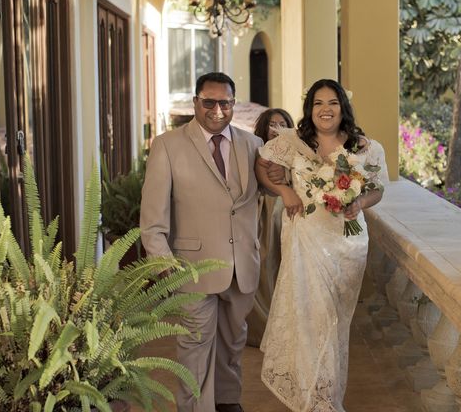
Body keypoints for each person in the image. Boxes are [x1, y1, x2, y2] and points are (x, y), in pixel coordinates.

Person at [255, 79, 389, 411]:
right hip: (305, 239)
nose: (325, 109)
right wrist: (285, 191)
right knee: (308, 318)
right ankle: (316, 401)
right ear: (309, 109)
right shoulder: (295, 143)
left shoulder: (364, 148)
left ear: (343, 107)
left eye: (332, 102)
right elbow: (261, 163)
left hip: (346, 244)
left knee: (334, 323)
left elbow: (378, 189)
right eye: (318, 103)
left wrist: (359, 204)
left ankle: (327, 395)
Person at [140, 72, 262, 412]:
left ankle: (227, 402)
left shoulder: (253, 146)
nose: (217, 110)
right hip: (191, 269)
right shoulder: (167, 146)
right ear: (196, 102)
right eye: (209, 102)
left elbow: (273, 193)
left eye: (225, 102)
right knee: (194, 348)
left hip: (241, 268)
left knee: (232, 344)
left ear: (233, 104)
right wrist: (168, 270)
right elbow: (152, 221)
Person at [246, 108, 295, 347]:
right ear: (264, 128)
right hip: (264, 213)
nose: (276, 128)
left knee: (286, 266)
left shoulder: (298, 152)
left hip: (289, 213)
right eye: (272, 124)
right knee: (265, 263)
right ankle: (263, 328)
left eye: (282, 123)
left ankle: (287, 327)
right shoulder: (256, 151)